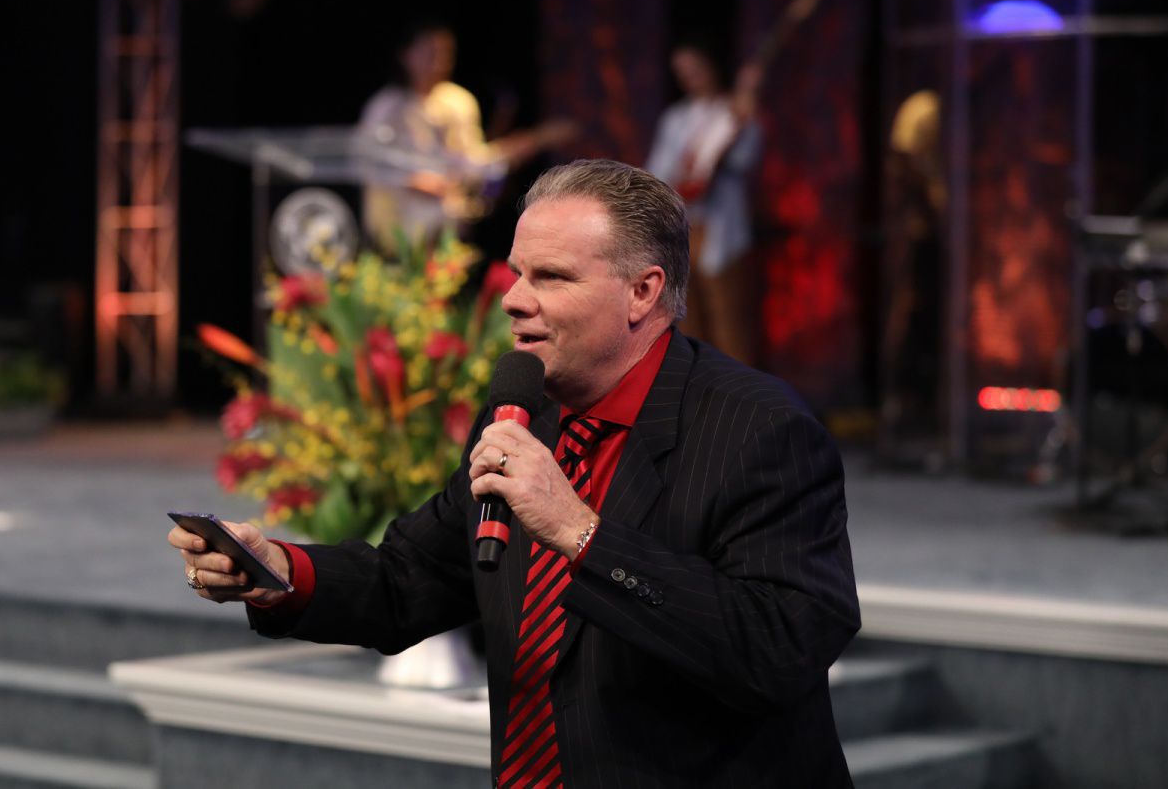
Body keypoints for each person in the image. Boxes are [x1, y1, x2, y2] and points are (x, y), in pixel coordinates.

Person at [171, 159, 860, 786]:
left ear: (642, 292)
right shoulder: (524, 416)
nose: (513, 298)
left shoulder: (760, 431)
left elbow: (778, 651)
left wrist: (581, 533)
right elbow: (408, 579)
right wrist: (278, 571)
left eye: (551, 277)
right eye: (517, 273)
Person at [354, 22, 574, 251]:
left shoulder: (458, 102)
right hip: (399, 224)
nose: (439, 61)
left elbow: (471, 162)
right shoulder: (386, 106)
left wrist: (529, 143)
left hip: (447, 221)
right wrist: (413, 180)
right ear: (406, 55)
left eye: (446, 53)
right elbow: (370, 162)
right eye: (429, 52)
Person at [645, 42, 759, 362]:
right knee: (687, 319)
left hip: (720, 228)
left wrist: (737, 128)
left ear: (711, 65)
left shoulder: (734, 111)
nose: (689, 77)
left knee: (728, 318)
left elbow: (743, 159)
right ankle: (697, 388)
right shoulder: (676, 118)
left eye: (694, 68)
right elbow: (657, 171)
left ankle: (737, 389)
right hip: (682, 227)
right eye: (681, 71)